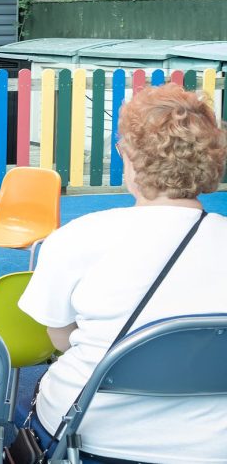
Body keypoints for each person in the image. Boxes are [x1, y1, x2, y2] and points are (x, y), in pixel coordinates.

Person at [18, 83, 227, 463]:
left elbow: (61, 339)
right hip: (212, 445)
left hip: (89, 437)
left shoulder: (77, 237)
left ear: (129, 155)